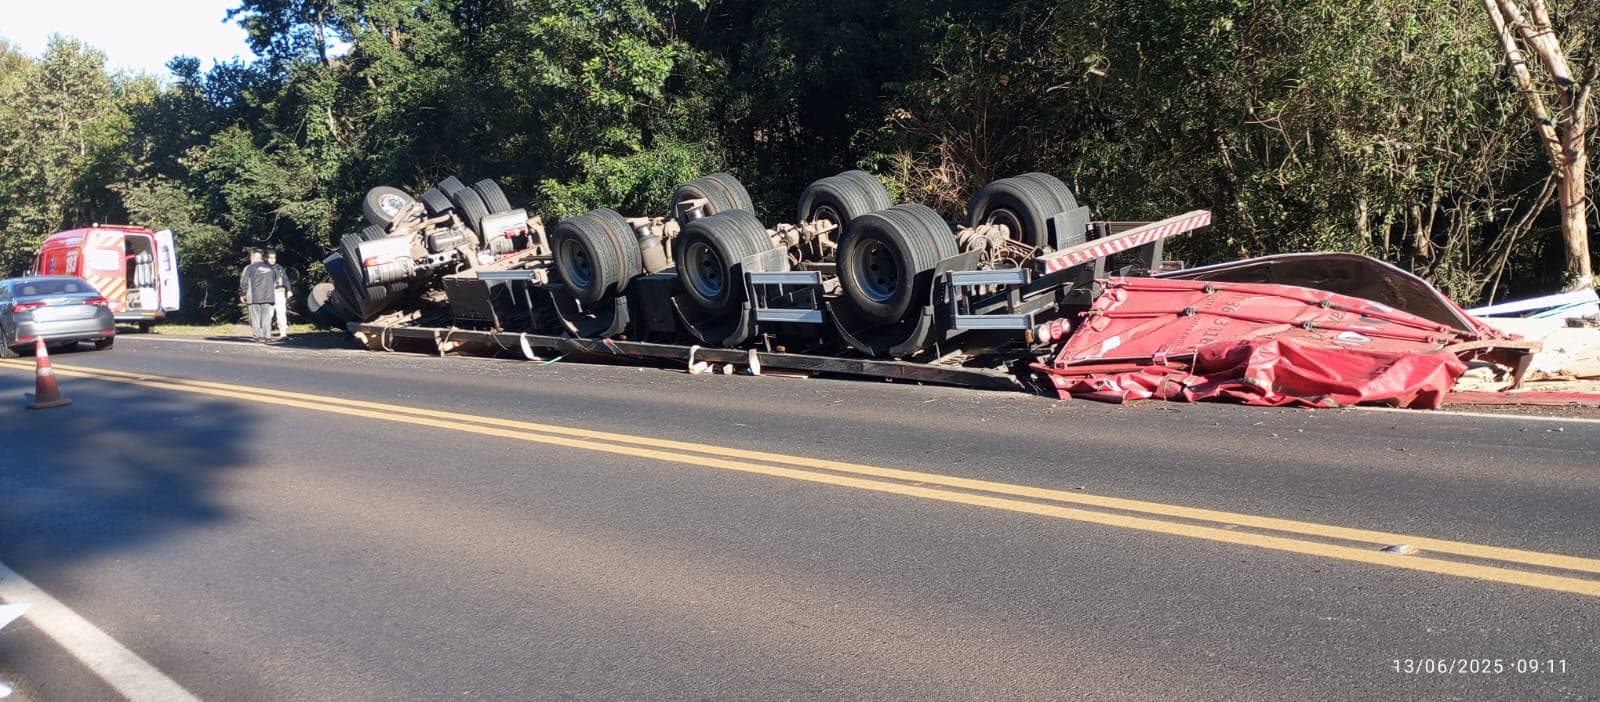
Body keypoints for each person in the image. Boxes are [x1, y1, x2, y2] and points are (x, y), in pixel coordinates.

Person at [238, 250, 278, 342]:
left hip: (254, 297)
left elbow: (243, 281)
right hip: (268, 297)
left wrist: (242, 293)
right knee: (266, 317)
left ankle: (257, 337)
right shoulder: (270, 268)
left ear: (253, 258)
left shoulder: (250, 268)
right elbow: (274, 280)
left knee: (255, 317)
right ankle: (267, 337)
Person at [268, 251, 291, 339]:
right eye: (270, 258)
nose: (272, 260)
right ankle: (266, 333)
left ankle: (283, 334)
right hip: (268, 294)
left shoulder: (280, 268)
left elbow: (285, 279)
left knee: (281, 313)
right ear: (267, 258)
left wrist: (289, 290)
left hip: (280, 292)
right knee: (268, 314)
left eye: (273, 258)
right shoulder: (264, 269)